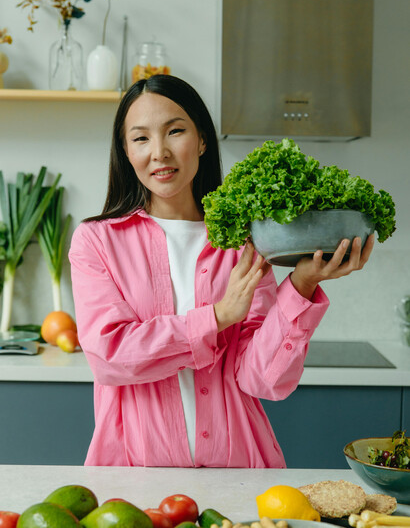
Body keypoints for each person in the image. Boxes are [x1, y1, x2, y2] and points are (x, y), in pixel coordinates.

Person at [69, 74, 374, 468]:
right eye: (141, 138)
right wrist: (217, 317)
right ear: (126, 151)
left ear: (201, 140)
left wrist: (301, 284)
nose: (159, 152)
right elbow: (110, 357)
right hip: (133, 476)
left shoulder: (245, 241)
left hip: (238, 472)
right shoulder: (97, 241)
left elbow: (262, 380)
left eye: (174, 131)